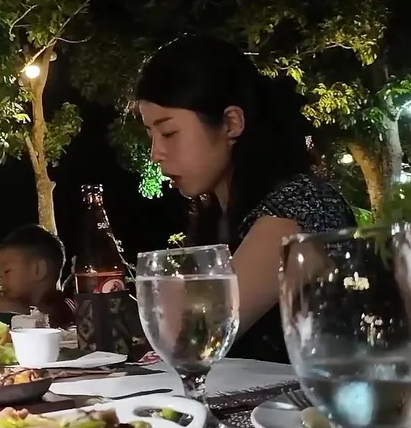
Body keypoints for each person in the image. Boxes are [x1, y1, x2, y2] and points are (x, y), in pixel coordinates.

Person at [136, 35, 353, 363]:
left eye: (169, 133)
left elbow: (197, 337)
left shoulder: (297, 207)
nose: (156, 153)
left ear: (231, 123)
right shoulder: (220, 216)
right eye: (150, 134)